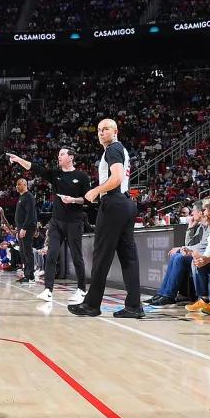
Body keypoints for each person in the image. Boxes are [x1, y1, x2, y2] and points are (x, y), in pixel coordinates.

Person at [68, 119, 142, 319]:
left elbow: (116, 178)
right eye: (99, 130)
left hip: (113, 204)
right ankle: (134, 306)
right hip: (126, 203)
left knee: (101, 255)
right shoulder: (121, 149)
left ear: (115, 131)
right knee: (129, 258)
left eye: (106, 129)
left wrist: (96, 191)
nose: (101, 132)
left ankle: (91, 305)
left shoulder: (112, 149)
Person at [7, 148, 91, 304]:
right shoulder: (55, 174)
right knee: (51, 255)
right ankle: (48, 290)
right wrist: (18, 160)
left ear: (71, 157)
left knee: (77, 256)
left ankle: (81, 290)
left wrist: (73, 200)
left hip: (74, 222)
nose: (58, 156)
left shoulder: (82, 177)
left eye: (62, 154)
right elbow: (34, 167)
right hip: (56, 222)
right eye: (58, 154)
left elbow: (87, 199)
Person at [148, 201, 208, 307]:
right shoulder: (200, 227)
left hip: (206, 255)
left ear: (200, 212)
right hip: (197, 253)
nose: (192, 214)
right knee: (176, 256)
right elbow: (189, 244)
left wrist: (181, 249)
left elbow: (203, 246)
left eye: (193, 211)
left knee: (179, 258)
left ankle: (169, 296)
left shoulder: (209, 226)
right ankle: (162, 293)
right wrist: (190, 228)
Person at [13, 178, 36, 284]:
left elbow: (30, 214)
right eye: (16, 184)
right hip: (21, 228)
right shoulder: (22, 197)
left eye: (19, 184)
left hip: (27, 228)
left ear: (25, 185)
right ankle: (26, 274)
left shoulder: (28, 197)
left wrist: (24, 228)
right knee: (23, 252)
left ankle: (30, 276)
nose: (17, 186)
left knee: (27, 251)